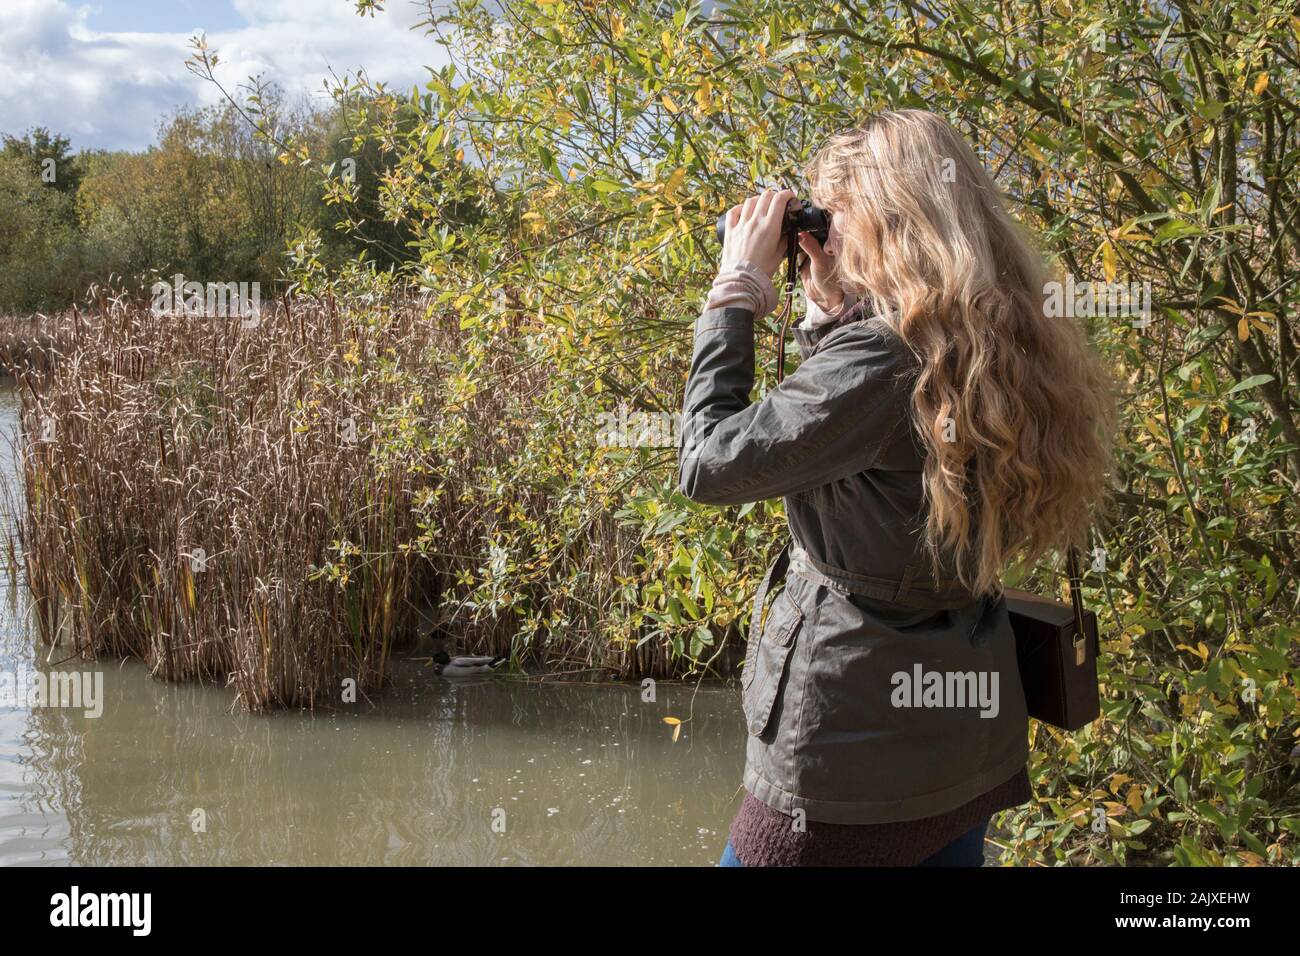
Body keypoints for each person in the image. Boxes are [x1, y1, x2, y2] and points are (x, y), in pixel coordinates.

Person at [677, 109, 1113, 867]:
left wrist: (735, 293)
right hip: (963, 744)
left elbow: (707, 462)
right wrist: (830, 315)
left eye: (833, 217)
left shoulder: (879, 362)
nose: (822, 236)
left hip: (846, 757)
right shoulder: (997, 337)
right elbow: (870, 449)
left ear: (883, 221)